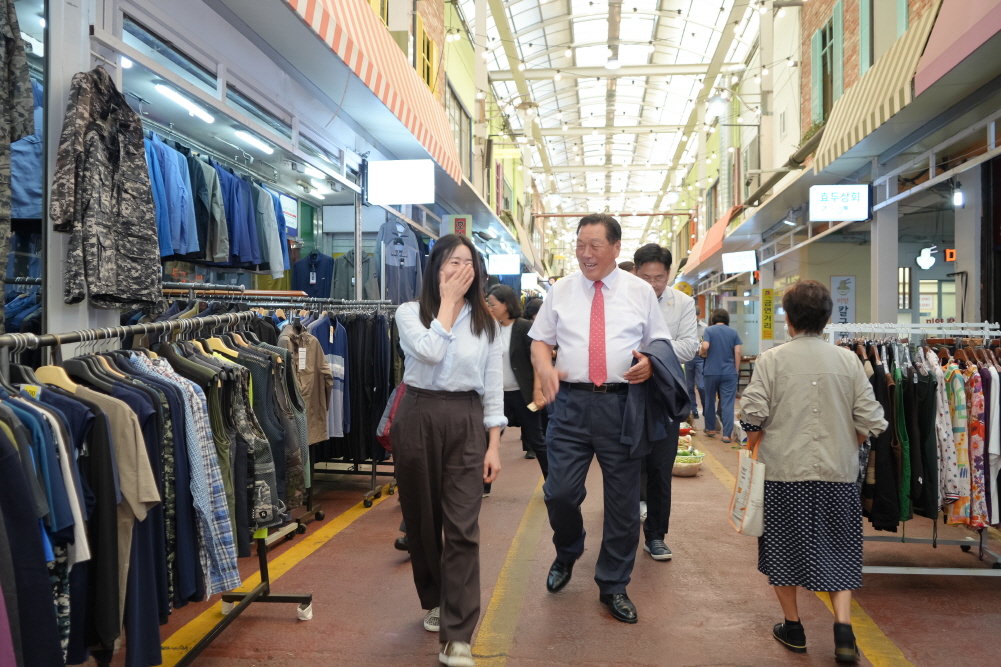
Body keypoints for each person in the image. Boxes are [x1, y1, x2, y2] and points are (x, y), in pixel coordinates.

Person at [530, 214, 671, 624]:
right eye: (580, 245)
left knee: (623, 505)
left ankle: (613, 584)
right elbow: (540, 341)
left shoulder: (639, 291)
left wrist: (649, 362)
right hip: (570, 405)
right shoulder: (561, 290)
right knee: (559, 493)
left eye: (595, 245)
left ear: (616, 247)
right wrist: (544, 369)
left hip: (622, 406)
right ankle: (568, 550)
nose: (585, 254)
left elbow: (659, 342)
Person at [739, 280, 886, 664]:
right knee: (840, 551)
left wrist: (754, 440)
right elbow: (872, 420)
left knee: (782, 551)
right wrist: (848, 441)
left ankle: (794, 628)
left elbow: (752, 416)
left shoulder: (771, 360)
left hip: (784, 476)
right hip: (838, 475)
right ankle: (843, 631)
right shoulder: (848, 361)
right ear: (826, 318)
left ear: (788, 319)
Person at [392, 234, 505, 667]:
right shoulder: (409, 313)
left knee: (462, 527)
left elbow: (492, 386)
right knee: (423, 523)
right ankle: (436, 598)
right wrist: (448, 305)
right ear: (435, 268)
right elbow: (429, 352)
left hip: (466, 420)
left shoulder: (487, 324)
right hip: (417, 415)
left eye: (468, 263)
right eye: (452, 262)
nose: (461, 270)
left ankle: (458, 637)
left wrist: (494, 445)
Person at [633, 243, 698, 561]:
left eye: (658, 278)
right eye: (646, 277)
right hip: (627, 392)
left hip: (664, 395)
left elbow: (690, 347)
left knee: (660, 467)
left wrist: (651, 355)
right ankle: (623, 529)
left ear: (668, 274)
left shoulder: (682, 303)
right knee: (626, 464)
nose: (652, 285)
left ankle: (656, 535)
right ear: (635, 272)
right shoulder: (620, 299)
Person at [486, 284, 549, 480]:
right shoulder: (490, 328)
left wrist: (538, 391)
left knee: (536, 439)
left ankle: (552, 482)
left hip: (524, 395)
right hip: (498, 395)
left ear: (505, 304)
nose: (489, 308)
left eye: (493, 304)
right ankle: (484, 485)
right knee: (488, 440)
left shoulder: (524, 327)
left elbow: (537, 360)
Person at [700, 308, 741, 442]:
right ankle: (726, 435)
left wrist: (701, 352)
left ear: (713, 319)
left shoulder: (709, 330)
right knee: (728, 403)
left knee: (709, 400)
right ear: (727, 319)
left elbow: (705, 346)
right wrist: (736, 370)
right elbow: (738, 352)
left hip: (711, 372)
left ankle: (710, 429)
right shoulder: (733, 332)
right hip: (729, 372)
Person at [685, 305, 708, 420]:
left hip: (700, 358)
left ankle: (705, 408)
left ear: (699, 315)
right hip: (688, 357)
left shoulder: (705, 328)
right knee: (689, 386)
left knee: (701, 386)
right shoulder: (686, 327)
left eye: (695, 316)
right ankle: (693, 410)